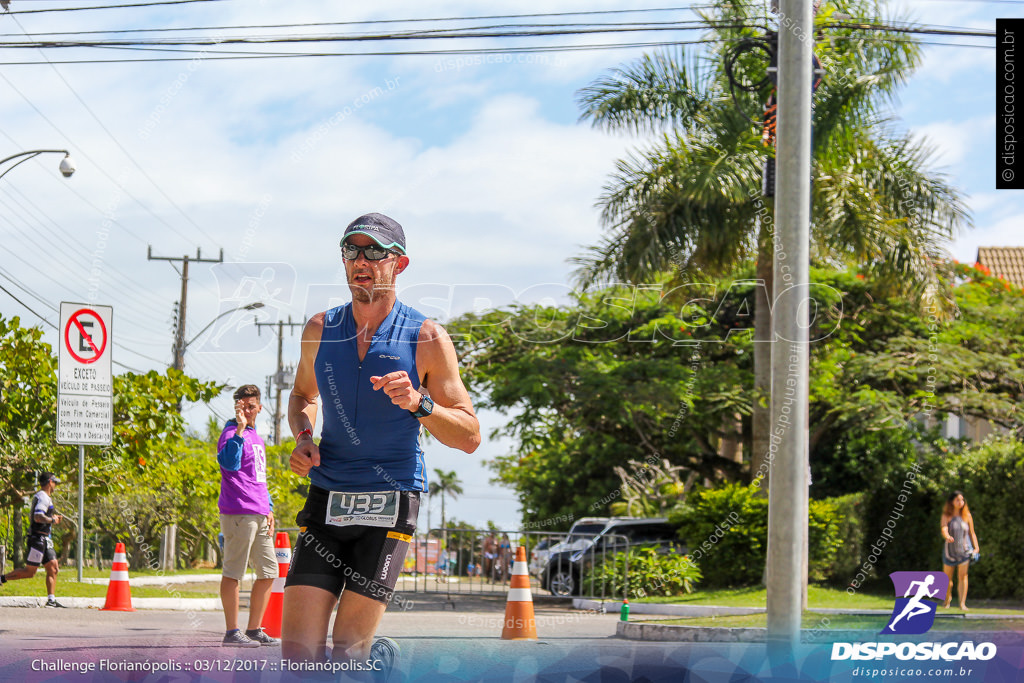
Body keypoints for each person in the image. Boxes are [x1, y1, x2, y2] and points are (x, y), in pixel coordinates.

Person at [283, 213, 481, 671]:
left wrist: (419, 403)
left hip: (390, 502)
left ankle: (374, 663)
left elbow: (469, 436)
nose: (361, 260)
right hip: (328, 496)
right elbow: (301, 395)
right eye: (351, 250)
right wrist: (305, 434)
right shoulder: (320, 328)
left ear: (400, 263)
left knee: (347, 649)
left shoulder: (426, 337)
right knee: (298, 656)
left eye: (375, 251)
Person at [216, 384, 279, 647]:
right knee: (234, 572)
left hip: (260, 513)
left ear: (260, 407)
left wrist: (270, 507)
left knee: (268, 571)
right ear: (236, 407)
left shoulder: (257, 436)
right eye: (243, 406)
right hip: (238, 513)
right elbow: (229, 463)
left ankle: (254, 629)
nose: (248, 410)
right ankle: (232, 632)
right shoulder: (231, 433)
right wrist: (239, 430)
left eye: (251, 406)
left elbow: (259, 478)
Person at [0, 472, 66, 607]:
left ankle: (51, 600)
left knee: (53, 567)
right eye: (55, 482)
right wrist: (52, 520)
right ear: (49, 482)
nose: (55, 485)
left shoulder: (44, 496)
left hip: (44, 539)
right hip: (37, 539)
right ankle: (1, 579)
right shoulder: (43, 497)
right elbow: (37, 516)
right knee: (29, 572)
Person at [940, 490, 980, 610]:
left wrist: (976, 547)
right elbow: (944, 528)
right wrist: (947, 536)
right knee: (947, 579)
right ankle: (947, 599)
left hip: (964, 551)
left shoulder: (967, 516)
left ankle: (962, 603)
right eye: (958, 500)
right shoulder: (946, 515)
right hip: (950, 552)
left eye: (962, 500)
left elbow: (972, 533)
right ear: (952, 501)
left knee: (963, 577)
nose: (960, 502)